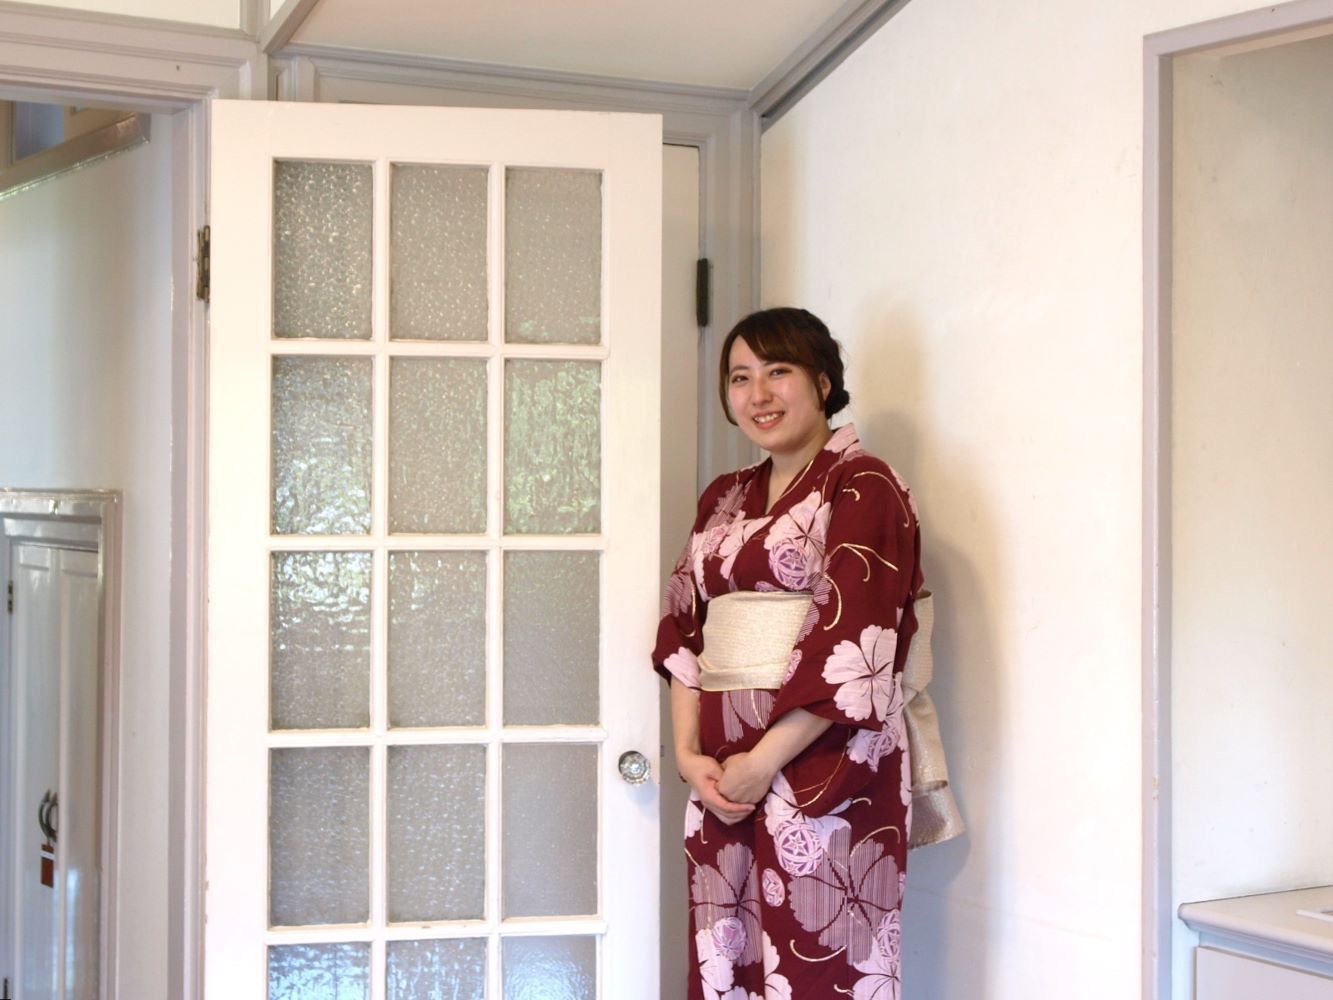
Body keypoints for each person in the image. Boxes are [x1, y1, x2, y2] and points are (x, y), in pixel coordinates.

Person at [653, 307, 923, 999]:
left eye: (778, 371)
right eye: (740, 377)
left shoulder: (863, 485)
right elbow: (685, 628)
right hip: (721, 776)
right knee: (727, 963)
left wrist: (763, 762)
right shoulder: (723, 497)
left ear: (823, 381)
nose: (758, 394)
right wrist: (689, 757)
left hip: (823, 766)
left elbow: (856, 640)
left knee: (820, 963)